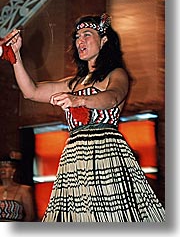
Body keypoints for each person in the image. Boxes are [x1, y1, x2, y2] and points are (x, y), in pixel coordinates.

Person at [8, 13, 165, 222]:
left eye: (87, 34)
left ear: (104, 40)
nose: (79, 40)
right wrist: (15, 57)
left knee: (109, 216)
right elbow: (32, 92)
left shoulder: (116, 74)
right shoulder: (73, 83)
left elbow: (112, 97)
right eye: (77, 36)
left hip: (106, 154)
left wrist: (79, 100)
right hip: (74, 158)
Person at [0, 155, 35, 221]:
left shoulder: (23, 190)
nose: (2, 169)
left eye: (6, 166)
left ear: (13, 170)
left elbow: (30, 216)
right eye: (1, 167)